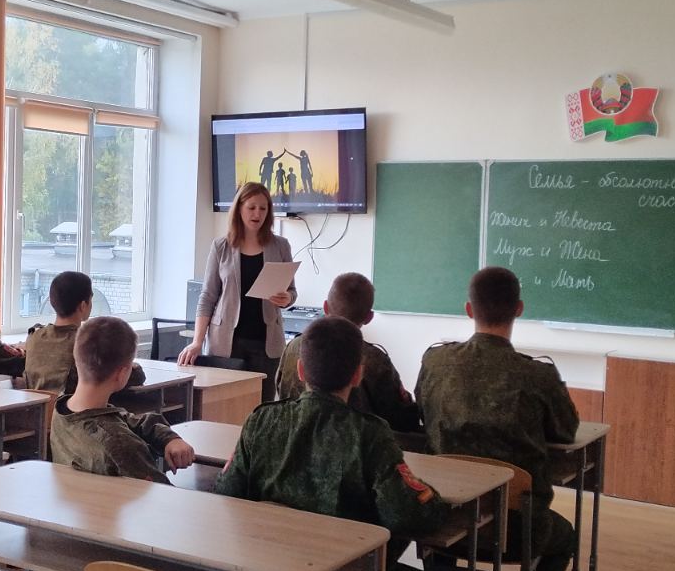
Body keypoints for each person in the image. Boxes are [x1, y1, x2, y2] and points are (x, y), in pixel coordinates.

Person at [216, 316, 465, 571]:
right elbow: (405, 512)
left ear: (300, 370)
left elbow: (226, 495)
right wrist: (435, 501)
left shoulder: (262, 420)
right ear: (357, 375)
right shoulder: (370, 434)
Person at [415, 265, 580, 571]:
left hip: (446, 522)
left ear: (469, 309)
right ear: (519, 309)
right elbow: (566, 430)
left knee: (440, 520)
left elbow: (421, 411)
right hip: (518, 530)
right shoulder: (537, 374)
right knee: (565, 539)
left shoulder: (436, 362)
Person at [179, 181, 297, 398]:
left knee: (262, 405)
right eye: (251, 207)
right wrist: (197, 341)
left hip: (266, 343)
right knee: (224, 403)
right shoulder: (221, 246)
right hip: (226, 344)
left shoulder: (280, 245)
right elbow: (208, 297)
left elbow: (291, 291)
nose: (257, 214)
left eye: (263, 208)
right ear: (239, 209)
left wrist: (287, 297)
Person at [275, 273, 422, 438]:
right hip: (358, 447)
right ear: (369, 317)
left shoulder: (294, 347)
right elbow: (402, 419)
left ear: (325, 307)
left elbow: (282, 392)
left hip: (294, 439)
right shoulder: (373, 360)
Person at [50, 317, 195, 482]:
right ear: (122, 374)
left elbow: (125, 419)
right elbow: (162, 493)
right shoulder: (121, 444)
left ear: (77, 360)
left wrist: (169, 438)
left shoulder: (62, 409)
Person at [24, 270, 144, 395]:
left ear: (51, 302)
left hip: (39, 406)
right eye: (91, 300)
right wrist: (133, 367)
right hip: (76, 406)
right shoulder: (87, 341)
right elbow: (128, 377)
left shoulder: (34, 337)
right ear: (83, 305)